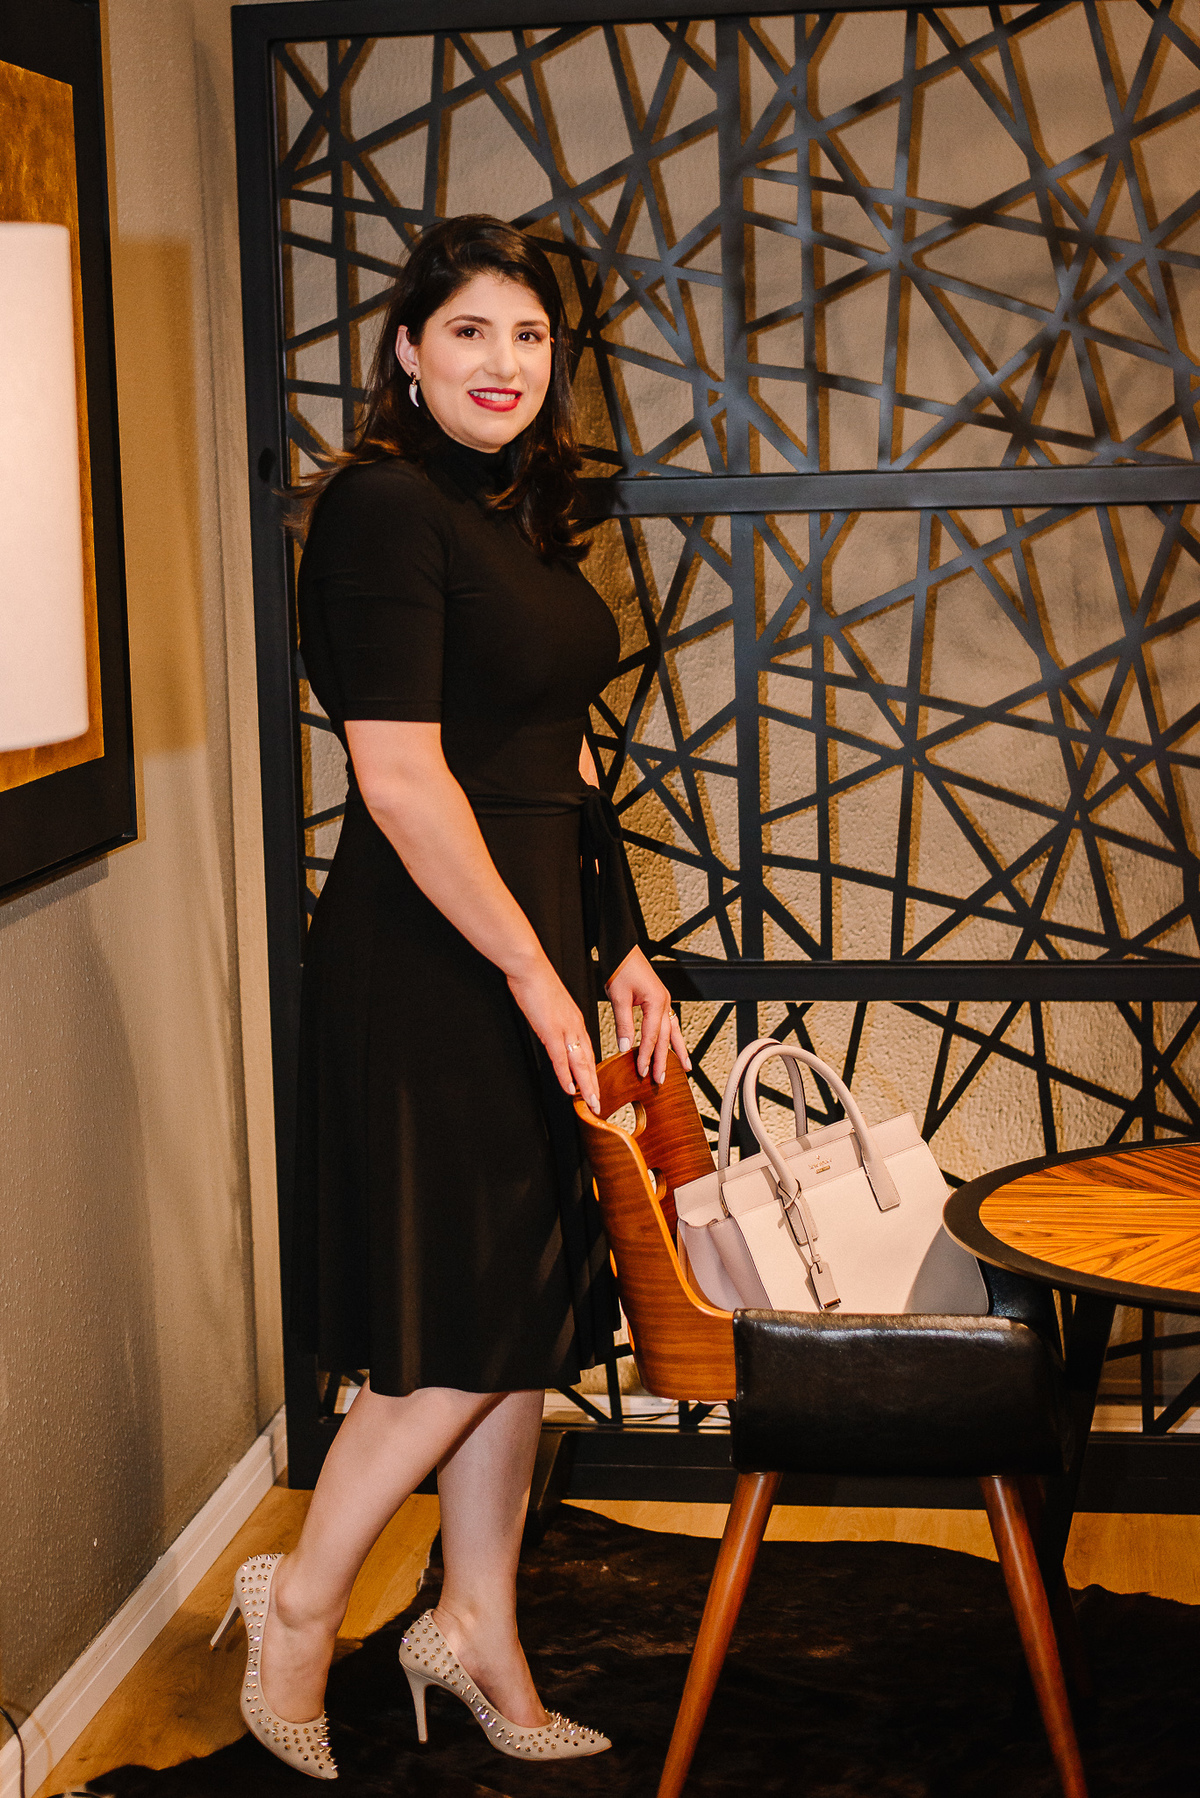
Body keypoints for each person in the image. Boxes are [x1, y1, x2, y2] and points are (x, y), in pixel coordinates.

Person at [210, 215, 690, 1779]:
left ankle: (475, 1620)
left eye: (530, 336)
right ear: (407, 349)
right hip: (431, 960)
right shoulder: (379, 509)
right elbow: (403, 781)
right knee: (456, 1327)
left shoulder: (515, 512)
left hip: (530, 943)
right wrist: (538, 969)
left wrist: (614, 942)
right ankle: (298, 1602)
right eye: (470, 330)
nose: (505, 362)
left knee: (520, 1308)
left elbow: (563, 762)